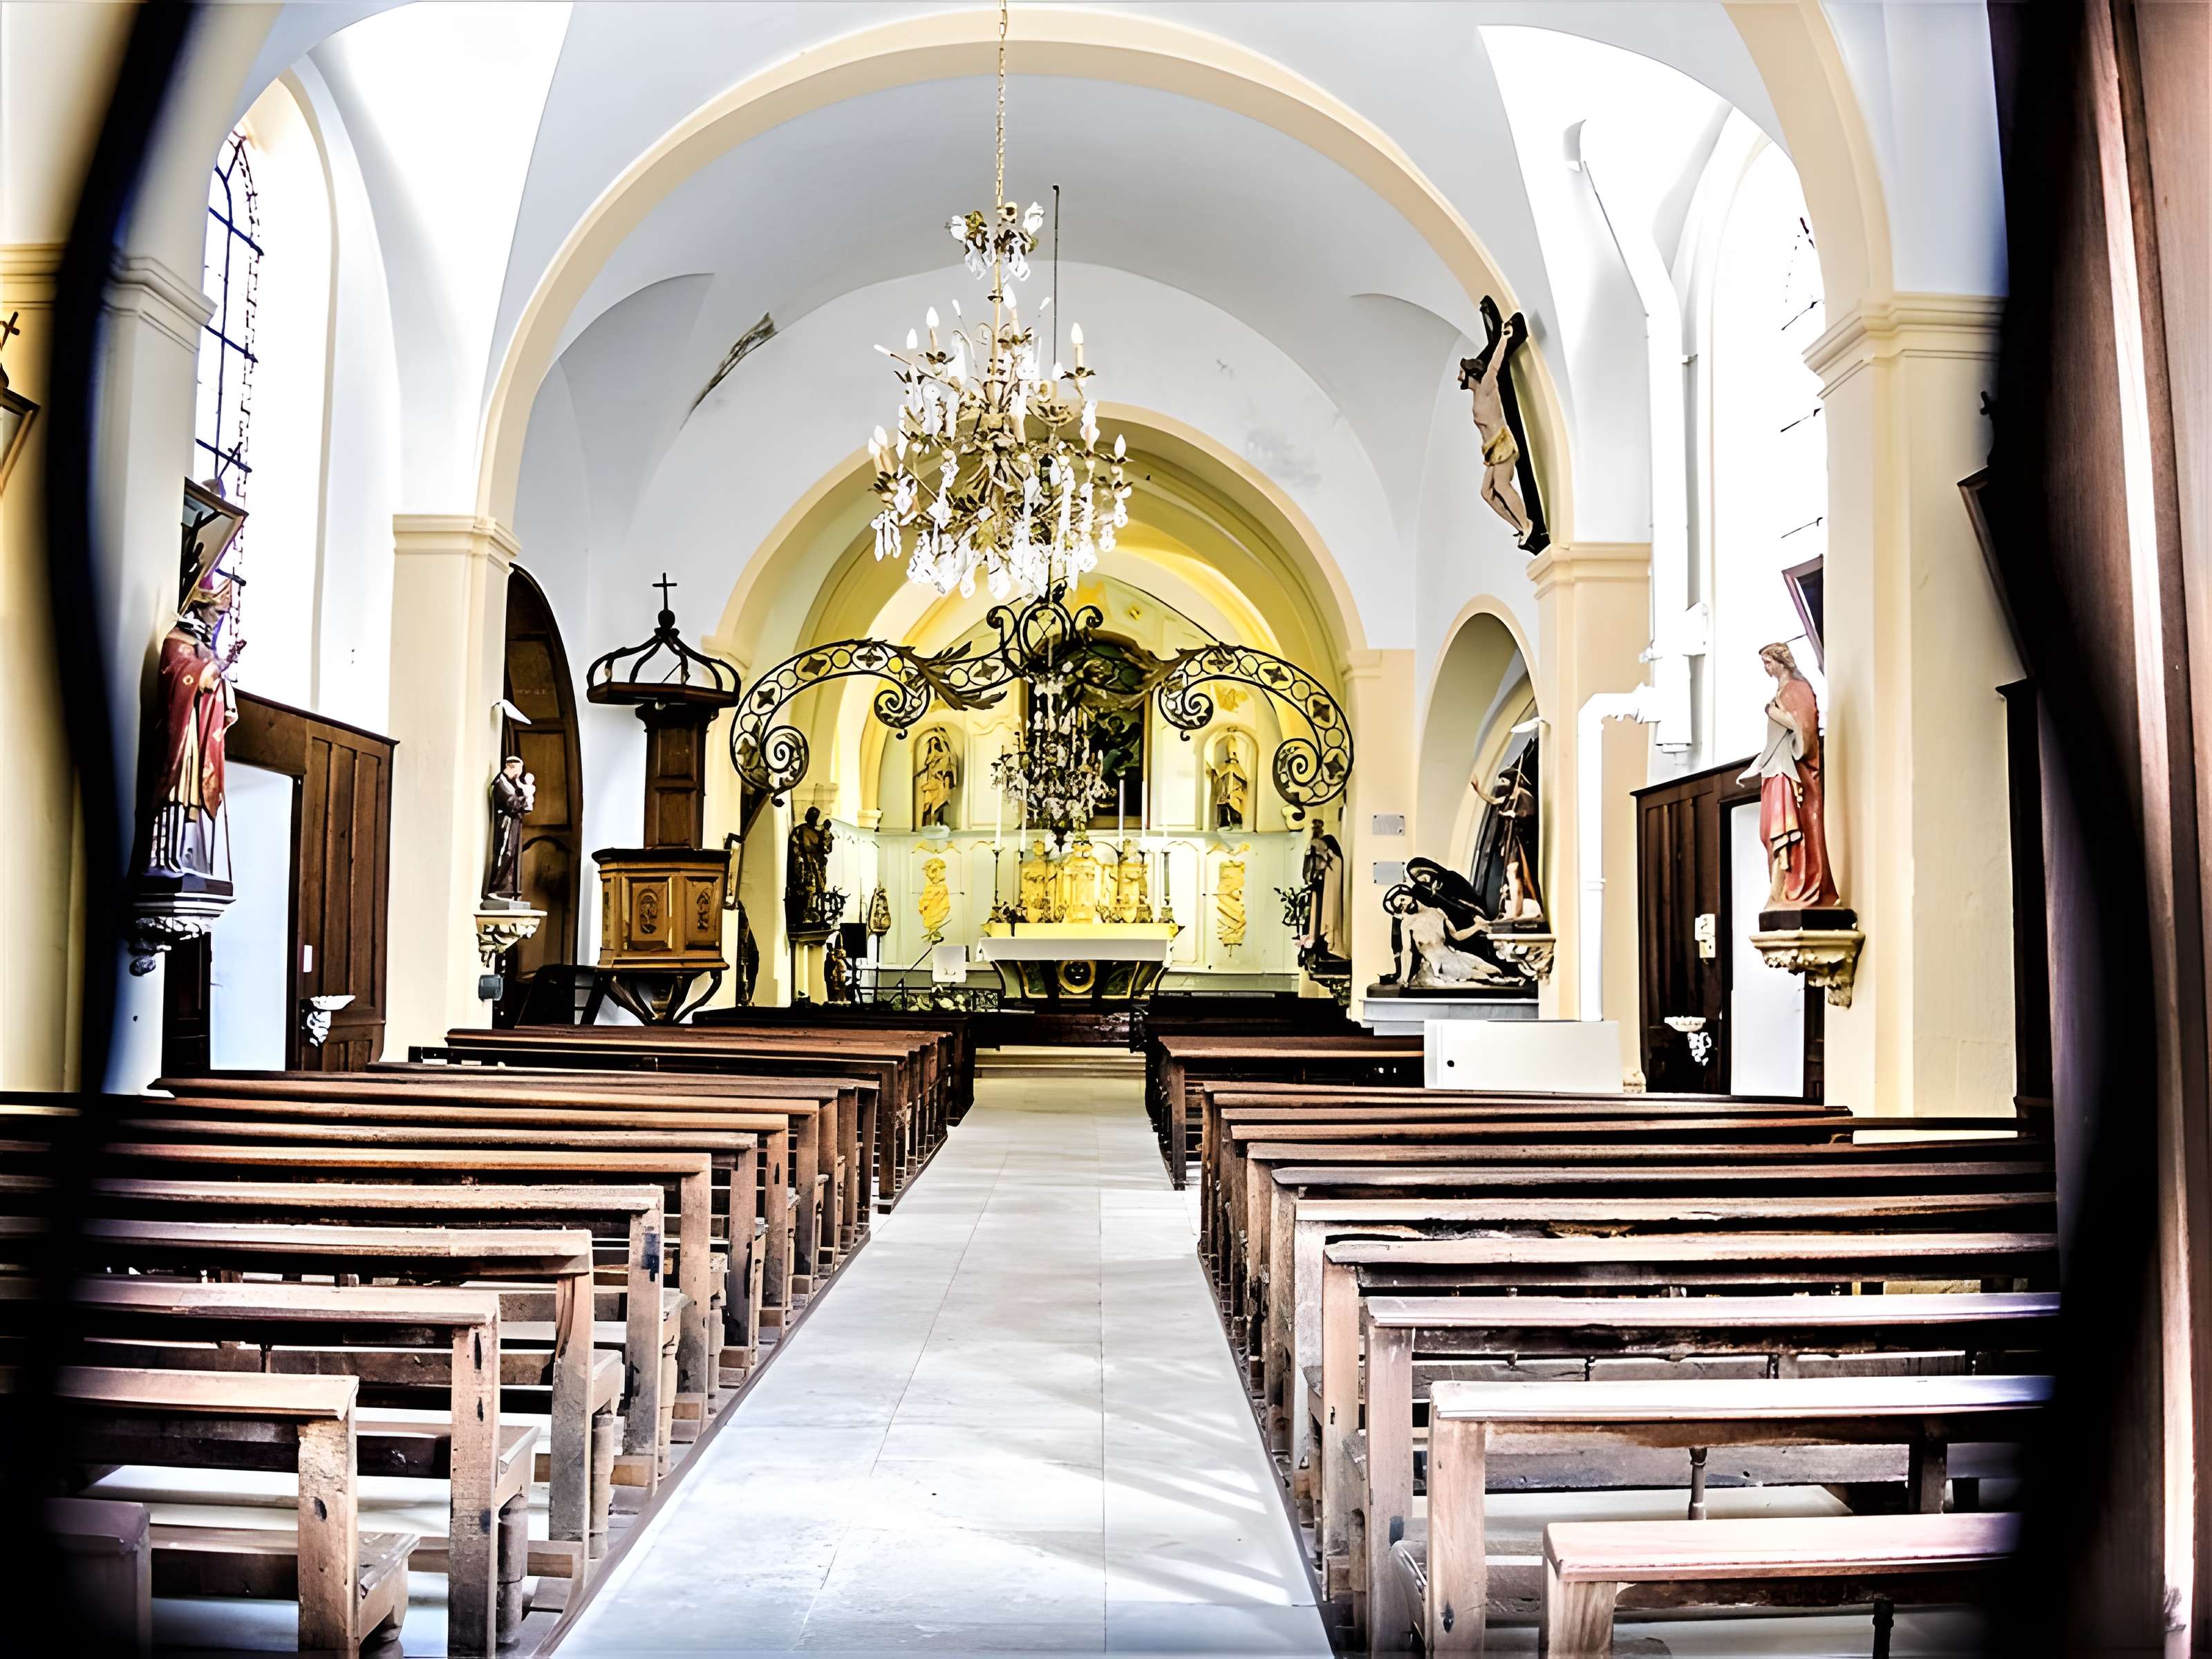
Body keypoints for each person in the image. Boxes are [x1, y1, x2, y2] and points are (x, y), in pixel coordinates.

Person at [148, 575, 239, 878]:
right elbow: (180, 677)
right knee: (176, 792)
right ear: (199, 607)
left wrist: (219, 670)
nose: (217, 621)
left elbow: (212, 683)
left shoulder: (202, 646)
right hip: (182, 737)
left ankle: (187, 856)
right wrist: (209, 671)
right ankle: (165, 854)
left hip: (198, 735)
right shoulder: (177, 640)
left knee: (192, 800)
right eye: (215, 613)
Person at [1739, 642, 1839, 909]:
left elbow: (1804, 732)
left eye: (1768, 662)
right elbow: (1773, 744)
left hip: (1792, 774)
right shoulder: (1782, 690)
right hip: (1775, 770)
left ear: (1782, 661)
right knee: (1768, 833)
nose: (1766, 668)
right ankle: (1781, 893)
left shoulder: (1798, 689)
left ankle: (1796, 889)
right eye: (1764, 663)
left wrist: (1774, 712)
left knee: (1787, 830)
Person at [1458, 298, 1537, 547]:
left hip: (1502, 443)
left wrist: (1504, 338)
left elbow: (1494, 365)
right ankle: (1520, 527)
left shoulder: (1488, 387)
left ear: (1472, 373)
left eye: (1463, 371)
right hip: (1492, 450)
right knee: (1487, 493)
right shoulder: (1475, 396)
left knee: (1502, 485)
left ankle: (1528, 525)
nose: (1459, 375)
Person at [486, 756, 529, 904]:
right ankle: (495, 888)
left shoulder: (511, 783)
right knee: (504, 853)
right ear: (511, 766)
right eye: (519, 769)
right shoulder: (501, 783)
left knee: (511, 854)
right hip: (505, 823)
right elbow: (511, 803)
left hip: (513, 823)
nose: (520, 774)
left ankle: (505, 890)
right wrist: (523, 799)